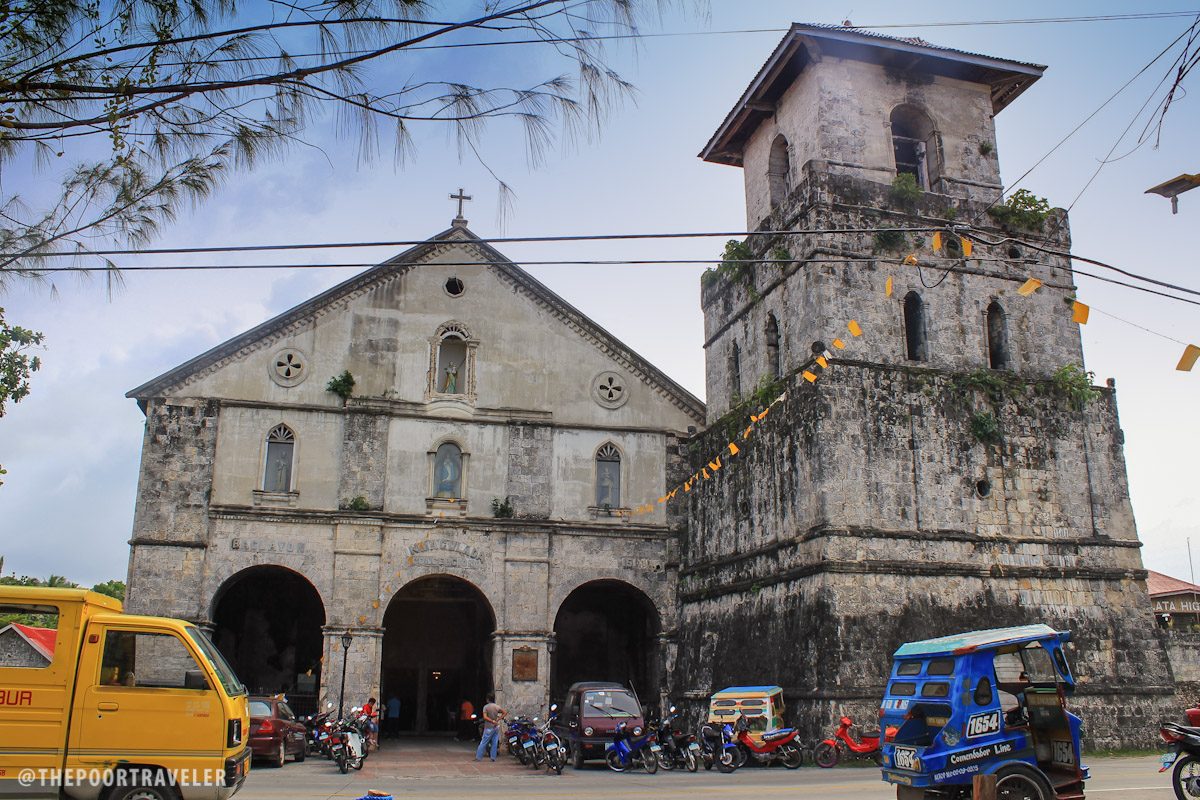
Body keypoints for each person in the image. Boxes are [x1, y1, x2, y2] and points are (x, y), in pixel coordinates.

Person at [474, 695, 506, 762]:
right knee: (494, 742)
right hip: (496, 726)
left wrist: (492, 721)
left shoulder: (486, 707)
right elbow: (504, 712)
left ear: (488, 699)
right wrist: (498, 720)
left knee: (483, 742)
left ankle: (478, 757)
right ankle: (493, 757)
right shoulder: (497, 706)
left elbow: (485, 717)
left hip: (489, 726)